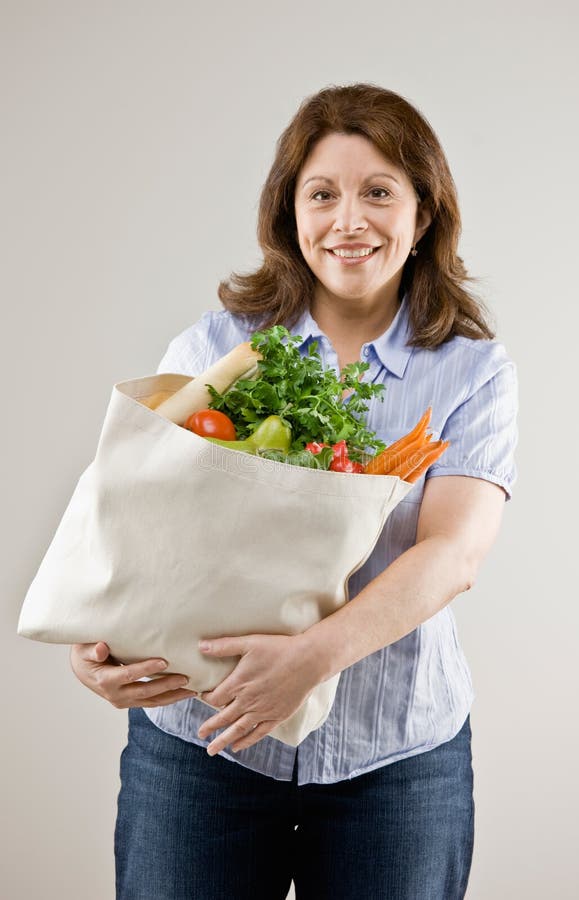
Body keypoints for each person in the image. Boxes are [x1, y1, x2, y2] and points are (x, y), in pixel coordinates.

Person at [70, 83, 518, 899]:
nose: (349, 220)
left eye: (378, 192)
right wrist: (96, 644)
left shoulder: (470, 370)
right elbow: (136, 521)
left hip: (397, 759)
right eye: (322, 194)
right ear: (289, 215)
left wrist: (309, 660)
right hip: (203, 745)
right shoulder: (215, 346)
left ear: (424, 215)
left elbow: (451, 553)